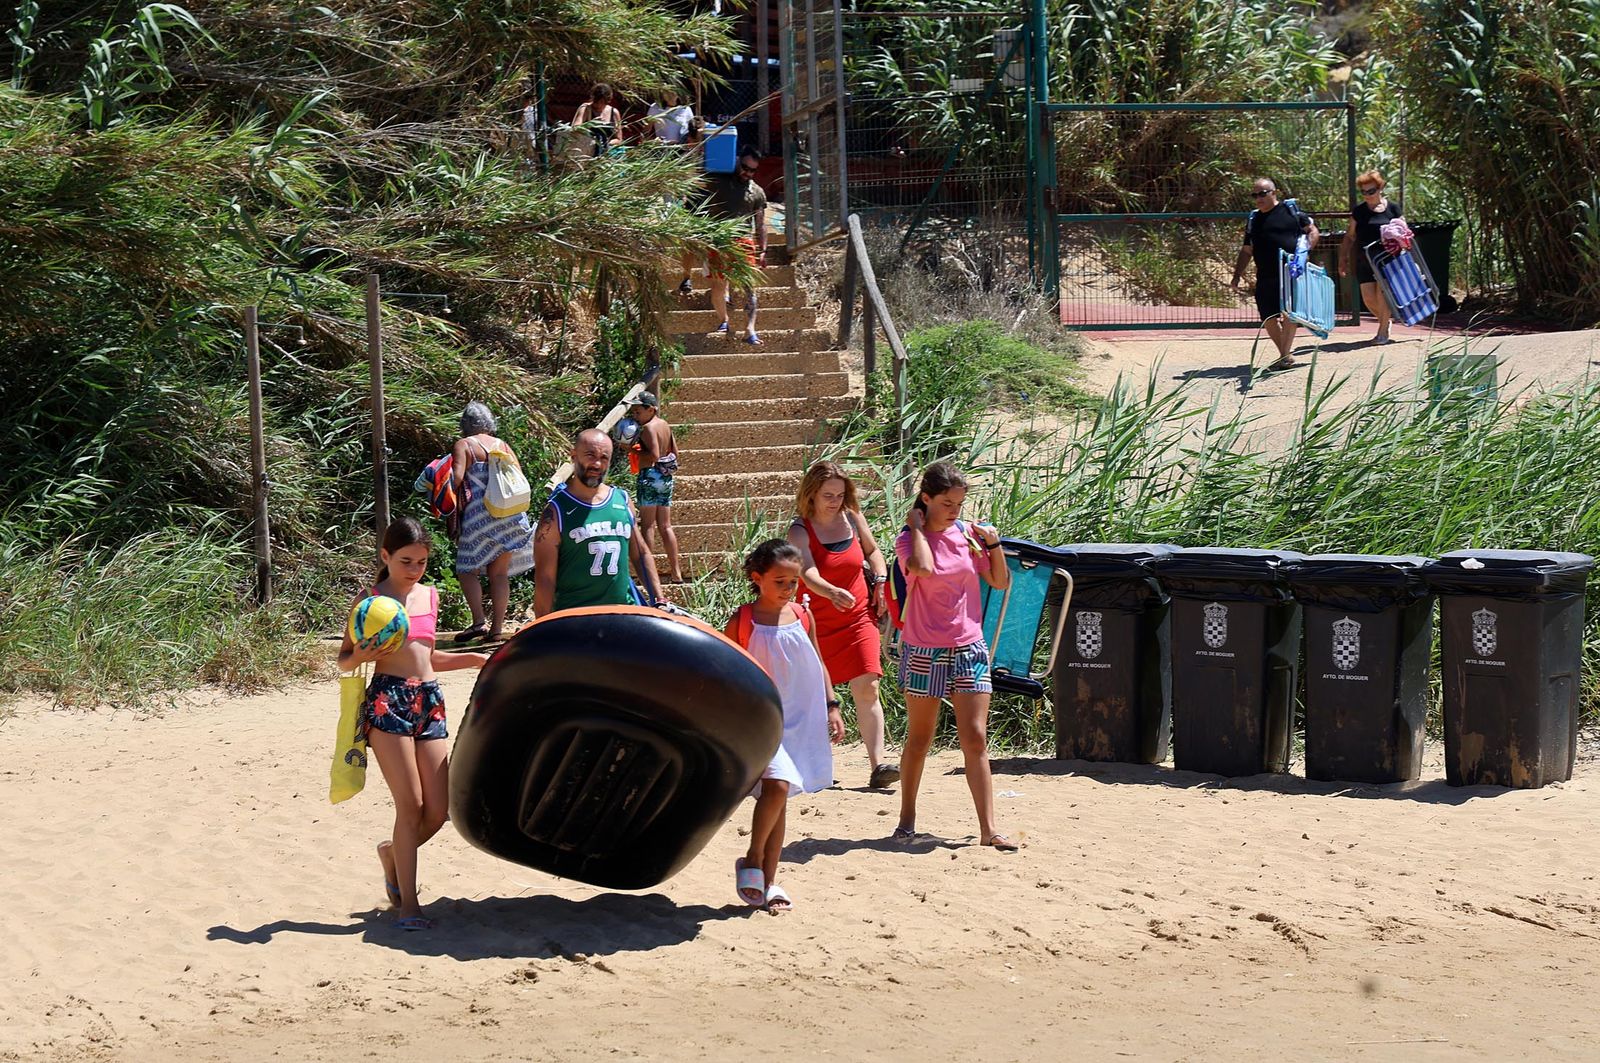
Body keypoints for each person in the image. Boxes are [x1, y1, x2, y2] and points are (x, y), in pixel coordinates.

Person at [337, 517, 489, 931]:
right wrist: (363, 656)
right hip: (389, 701)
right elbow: (345, 658)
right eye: (405, 560)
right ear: (385, 556)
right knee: (411, 806)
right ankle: (409, 906)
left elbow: (428, 657)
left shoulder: (430, 596)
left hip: (430, 700)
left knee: (438, 811)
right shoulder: (369, 601)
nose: (414, 569)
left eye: (421, 561)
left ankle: (392, 854)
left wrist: (475, 659)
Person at [892, 462, 1016, 852]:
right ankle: (906, 820)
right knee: (920, 738)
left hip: (969, 644)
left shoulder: (967, 535)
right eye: (947, 503)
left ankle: (989, 828)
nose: (955, 510)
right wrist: (915, 526)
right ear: (925, 499)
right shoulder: (907, 540)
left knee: (975, 738)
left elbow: (999, 581)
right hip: (924, 647)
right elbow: (924, 569)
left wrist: (993, 544)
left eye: (960, 503)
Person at [724, 539, 844, 911]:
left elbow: (818, 661)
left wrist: (833, 705)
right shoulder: (743, 620)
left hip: (800, 717)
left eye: (793, 582)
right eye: (780, 582)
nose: (788, 590)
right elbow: (726, 671)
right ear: (757, 578)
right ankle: (753, 860)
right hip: (761, 718)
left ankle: (768, 882)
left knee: (780, 800)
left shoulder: (802, 615)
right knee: (775, 787)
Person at [787, 461, 899, 790]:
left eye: (840, 494)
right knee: (816, 697)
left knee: (868, 686)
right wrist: (831, 591)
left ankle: (879, 765)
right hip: (817, 621)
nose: (835, 501)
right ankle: (818, 767)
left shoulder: (852, 517)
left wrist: (879, 578)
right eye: (827, 495)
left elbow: (873, 550)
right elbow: (805, 572)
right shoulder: (800, 530)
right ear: (811, 494)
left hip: (859, 615)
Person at [534, 428, 666, 616]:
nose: (596, 463)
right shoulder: (556, 511)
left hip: (622, 613)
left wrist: (659, 599)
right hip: (575, 618)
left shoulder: (621, 499)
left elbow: (640, 554)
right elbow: (545, 578)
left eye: (604, 458)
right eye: (590, 455)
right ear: (573, 456)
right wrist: (544, 626)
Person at [450, 401, 532, 642]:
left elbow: (456, 478)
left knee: (466, 569)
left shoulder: (464, 445)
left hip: (480, 515)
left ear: (464, 425)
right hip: (509, 514)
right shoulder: (503, 445)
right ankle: (496, 630)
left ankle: (478, 622)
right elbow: (518, 478)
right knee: (499, 574)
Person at [1230, 177, 1320, 371]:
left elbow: (1312, 231)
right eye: (1255, 195)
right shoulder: (1254, 219)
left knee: (1289, 314)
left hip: (1290, 273)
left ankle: (1284, 356)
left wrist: (1304, 254)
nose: (1258, 198)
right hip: (1265, 275)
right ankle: (1286, 354)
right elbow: (1247, 250)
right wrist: (1237, 275)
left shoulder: (1290, 211)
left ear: (1274, 193)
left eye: (1262, 194)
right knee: (1268, 317)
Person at [703, 147, 769, 345]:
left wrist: (763, 250)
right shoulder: (719, 181)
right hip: (719, 241)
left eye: (752, 170)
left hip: (744, 242)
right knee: (718, 286)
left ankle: (750, 329)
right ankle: (723, 320)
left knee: (749, 287)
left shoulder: (756, 191)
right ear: (737, 161)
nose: (747, 173)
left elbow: (761, 223)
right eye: (744, 167)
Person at [1340, 169, 1404, 345]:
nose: (1367, 195)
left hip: (1387, 259)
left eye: (1371, 191)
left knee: (1383, 294)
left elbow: (1403, 230)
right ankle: (1386, 320)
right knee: (1368, 298)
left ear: (1380, 188)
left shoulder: (1393, 208)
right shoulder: (1359, 212)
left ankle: (1382, 333)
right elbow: (1350, 236)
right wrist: (1343, 257)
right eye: (1364, 192)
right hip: (1365, 259)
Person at [629, 392, 683, 583]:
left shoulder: (647, 429)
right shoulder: (665, 425)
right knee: (666, 526)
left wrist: (629, 449)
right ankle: (676, 572)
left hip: (650, 476)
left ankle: (647, 573)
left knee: (648, 526)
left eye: (638, 411)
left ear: (650, 409)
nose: (635, 415)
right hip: (665, 477)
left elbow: (652, 456)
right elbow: (674, 452)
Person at [572, 82, 622, 157]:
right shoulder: (586, 108)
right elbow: (575, 127)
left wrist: (606, 144)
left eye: (602, 102)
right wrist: (591, 124)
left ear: (608, 100)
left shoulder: (614, 112)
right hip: (588, 148)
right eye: (596, 102)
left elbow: (619, 139)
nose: (599, 105)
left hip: (607, 150)